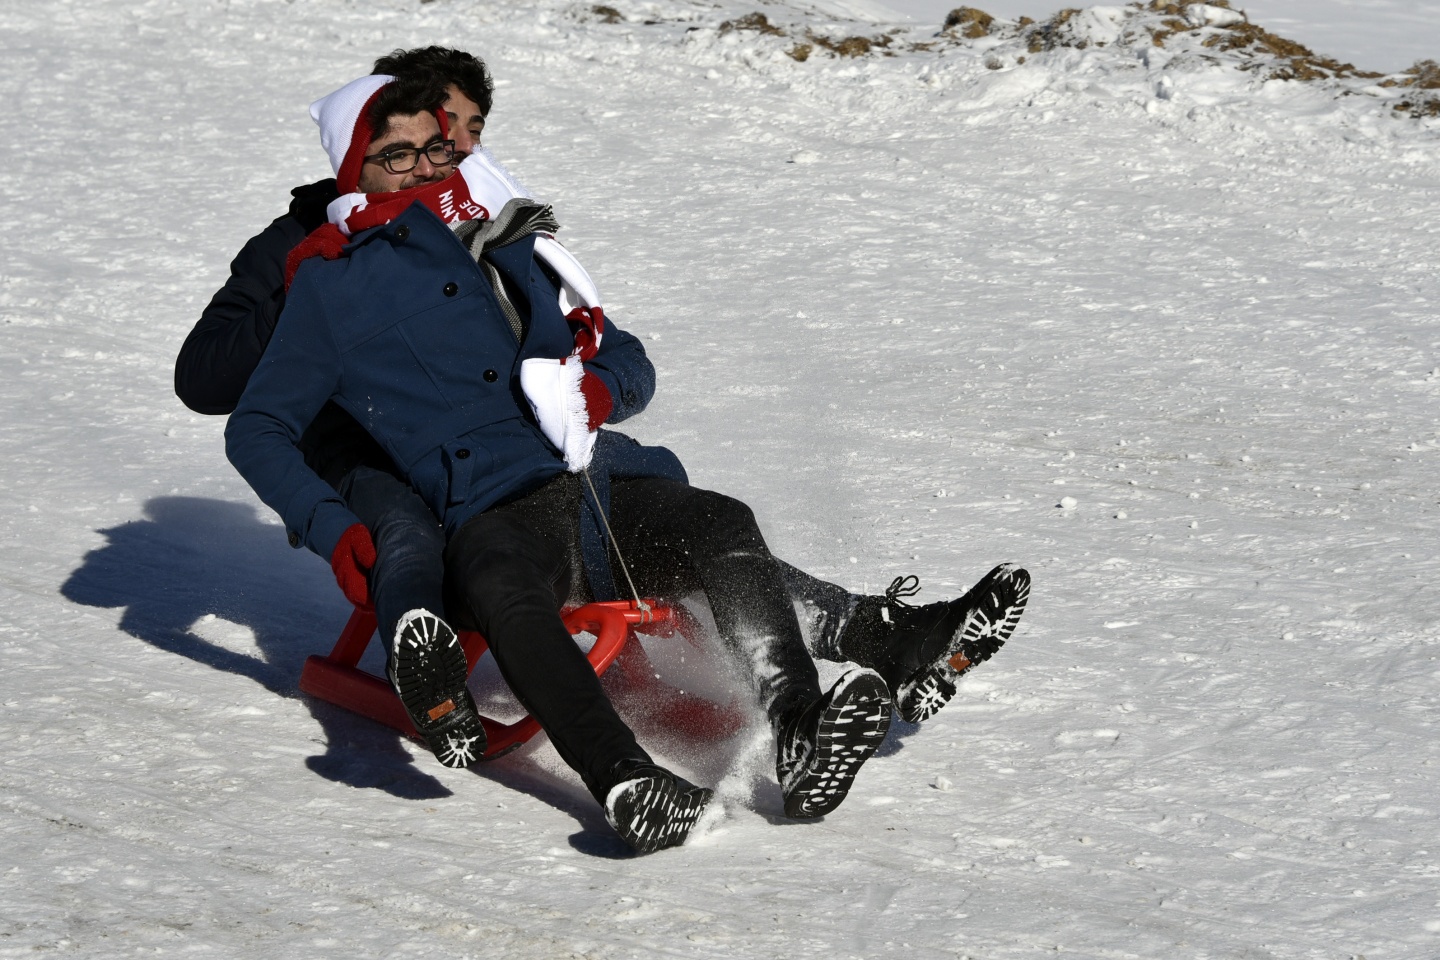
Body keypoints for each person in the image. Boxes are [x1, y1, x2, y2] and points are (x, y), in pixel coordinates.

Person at [175, 46, 1032, 731]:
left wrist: (591, 388)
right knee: (595, 527)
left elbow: (609, 345)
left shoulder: (485, 224)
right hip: (403, 464)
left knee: (676, 519)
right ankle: (865, 639)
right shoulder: (299, 247)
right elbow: (207, 381)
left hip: (543, 456)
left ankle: (873, 640)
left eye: (464, 132)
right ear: (365, 139)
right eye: (435, 131)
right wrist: (312, 287)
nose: (458, 149)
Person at [226, 72, 908, 852]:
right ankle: (622, 778)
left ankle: (799, 721)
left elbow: (600, 346)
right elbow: (257, 428)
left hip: (589, 488)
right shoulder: (327, 283)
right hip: (479, 511)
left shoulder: (499, 236)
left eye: (435, 150)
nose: (423, 168)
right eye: (395, 154)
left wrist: (592, 385)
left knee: (721, 520)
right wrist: (332, 525)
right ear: (353, 165)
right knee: (505, 591)